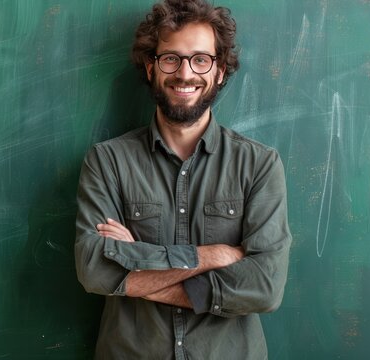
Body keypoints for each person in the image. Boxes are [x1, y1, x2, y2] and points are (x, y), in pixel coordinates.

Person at [74, 0, 292, 358]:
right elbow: (95, 269)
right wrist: (214, 256)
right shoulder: (108, 161)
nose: (185, 73)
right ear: (150, 66)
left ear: (220, 70)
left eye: (201, 59)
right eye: (171, 58)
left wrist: (134, 271)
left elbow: (265, 287)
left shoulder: (259, 164)